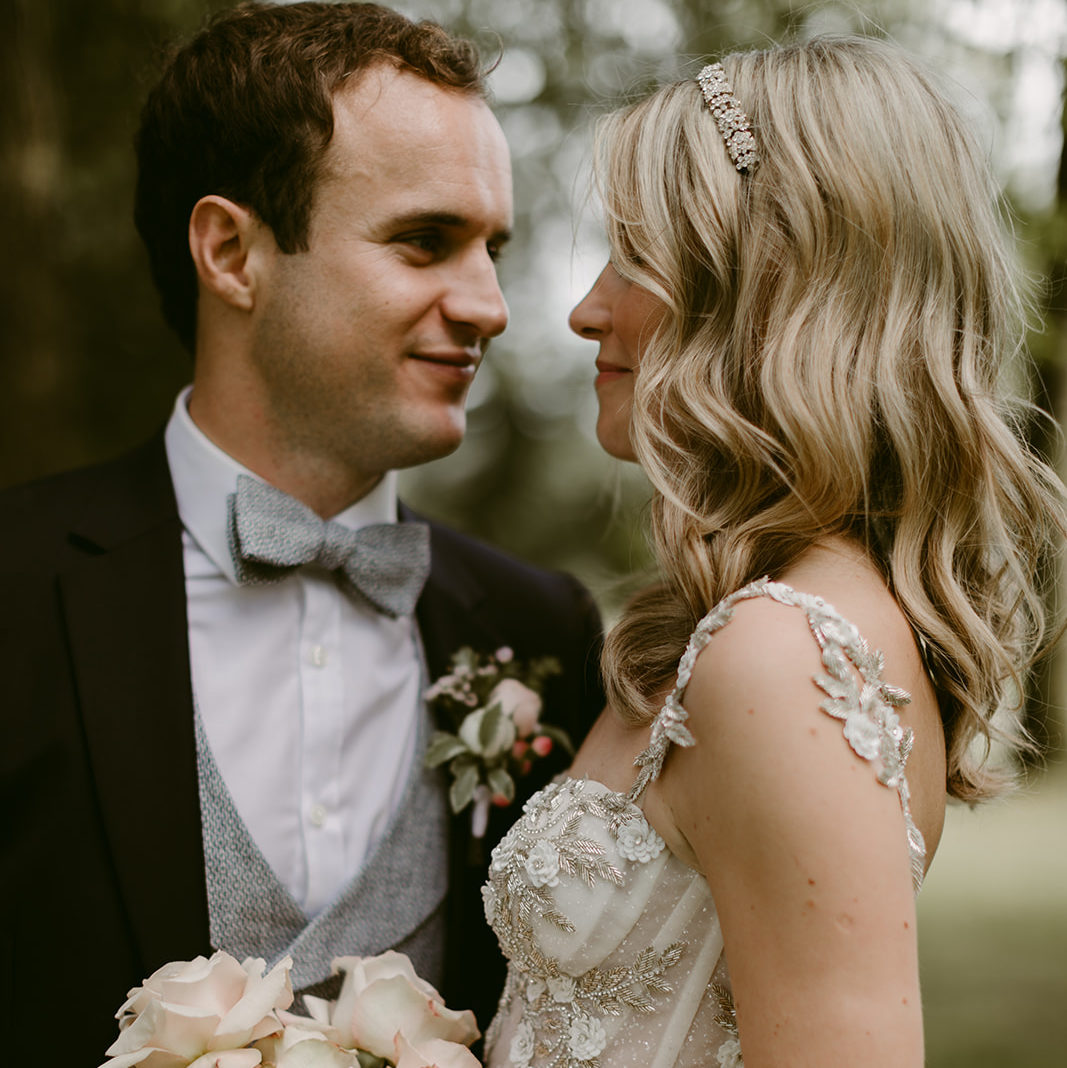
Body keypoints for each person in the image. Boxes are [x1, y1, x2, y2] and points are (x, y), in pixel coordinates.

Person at [0, 4, 604, 1063]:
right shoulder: (16, 584)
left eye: (492, 250)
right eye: (426, 241)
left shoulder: (536, 628)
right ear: (231, 252)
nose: (490, 305)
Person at [481, 35, 1065, 1067]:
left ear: (764, 295)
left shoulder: (781, 656)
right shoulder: (751, 621)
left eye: (634, 259)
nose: (584, 310)